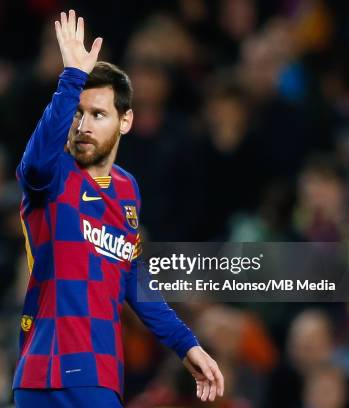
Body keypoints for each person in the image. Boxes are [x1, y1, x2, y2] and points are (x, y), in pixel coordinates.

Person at [12, 10, 224, 407]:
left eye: (97, 114)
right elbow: (33, 165)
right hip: (42, 371)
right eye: (78, 113)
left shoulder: (127, 190)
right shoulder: (55, 173)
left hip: (97, 372)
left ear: (125, 121)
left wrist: (185, 344)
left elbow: (132, 278)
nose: (83, 125)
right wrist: (71, 80)